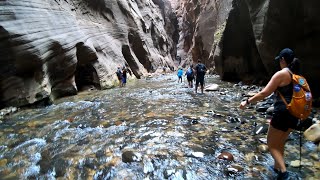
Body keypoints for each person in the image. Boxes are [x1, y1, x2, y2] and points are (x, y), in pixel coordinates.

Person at [239, 48, 300, 180]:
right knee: (280, 143)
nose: (279, 63)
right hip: (295, 113)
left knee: (271, 144)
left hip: (282, 114)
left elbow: (264, 93)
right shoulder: (296, 75)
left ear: (283, 60)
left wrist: (247, 102)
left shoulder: (281, 74)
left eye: (280, 60)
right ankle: (278, 167)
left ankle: (284, 173)